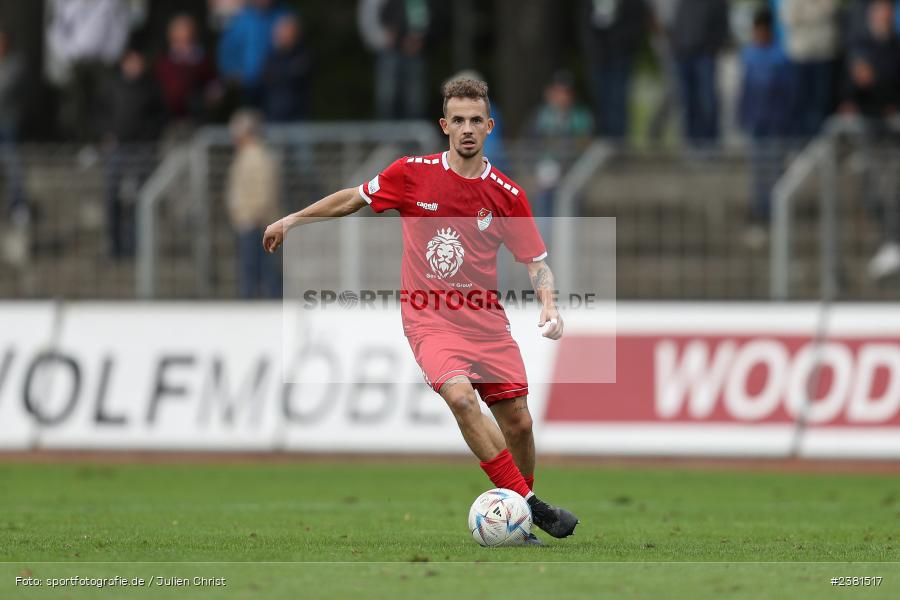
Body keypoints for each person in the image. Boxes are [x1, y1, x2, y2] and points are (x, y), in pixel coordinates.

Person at [261, 78, 579, 544]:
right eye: (458, 120)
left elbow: (536, 263)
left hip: (486, 322)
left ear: (489, 126)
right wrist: (293, 220)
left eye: (476, 120)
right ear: (444, 125)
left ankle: (521, 513)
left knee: (520, 423)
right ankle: (530, 508)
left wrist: (549, 304)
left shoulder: (507, 195)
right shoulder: (411, 173)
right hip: (429, 318)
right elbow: (354, 197)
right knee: (460, 398)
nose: (467, 128)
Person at [840, 0, 900, 279]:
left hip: (893, 132)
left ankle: (892, 242)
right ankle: (888, 241)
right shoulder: (860, 45)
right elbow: (852, 85)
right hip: (869, 128)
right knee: (873, 189)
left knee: (891, 188)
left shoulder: (895, 47)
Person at [100, 48, 163, 259]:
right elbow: (99, 113)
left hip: (142, 149)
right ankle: (114, 246)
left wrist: (148, 137)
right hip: (117, 149)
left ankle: (137, 246)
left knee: (140, 199)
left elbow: (160, 118)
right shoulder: (112, 86)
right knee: (112, 197)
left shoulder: (151, 88)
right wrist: (107, 134)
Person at [738, 7, 793, 235]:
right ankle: (760, 211)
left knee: (776, 169)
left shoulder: (780, 57)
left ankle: (777, 212)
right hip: (757, 123)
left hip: (776, 124)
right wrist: (742, 116)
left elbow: (789, 93)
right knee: (758, 172)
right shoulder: (749, 56)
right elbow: (745, 91)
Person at [227, 110, 283, 298]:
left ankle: (261, 305)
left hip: (256, 223)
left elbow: (263, 191)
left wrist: (255, 215)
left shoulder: (256, 156)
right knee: (257, 269)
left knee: (259, 270)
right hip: (251, 221)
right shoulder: (251, 155)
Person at [581, 0, 650, 140]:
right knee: (600, 100)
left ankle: (617, 142)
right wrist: (593, 49)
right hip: (598, 55)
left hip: (621, 55)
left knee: (618, 101)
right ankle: (601, 140)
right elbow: (584, 21)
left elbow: (638, 22)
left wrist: (624, 45)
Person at [669, 0, 731, 146]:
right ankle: (691, 144)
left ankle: (711, 143)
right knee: (688, 103)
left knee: (707, 101)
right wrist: (677, 48)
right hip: (683, 54)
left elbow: (722, 24)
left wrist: (712, 48)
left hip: (704, 55)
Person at [358, 0, 432, 119]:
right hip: (389, 52)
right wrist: (384, 38)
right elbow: (373, 18)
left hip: (413, 53)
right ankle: (387, 135)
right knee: (387, 98)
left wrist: (417, 38)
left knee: (414, 100)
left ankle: (412, 135)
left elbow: (422, 16)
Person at [779, 0, 840, 137]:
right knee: (800, 105)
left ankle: (821, 145)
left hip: (824, 55)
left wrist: (805, 13)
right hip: (800, 57)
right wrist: (816, 13)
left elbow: (831, 10)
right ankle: (801, 144)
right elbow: (788, 17)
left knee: (822, 105)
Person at [218, 0, 288, 107]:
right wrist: (232, 71)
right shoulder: (240, 19)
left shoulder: (283, 16)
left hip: (277, 86)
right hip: (247, 85)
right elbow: (228, 49)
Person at [155, 14, 218, 125]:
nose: (183, 42)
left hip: (196, 118)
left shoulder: (202, 61)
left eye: (187, 38)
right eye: (179, 38)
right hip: (169, 119)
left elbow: (213, 85)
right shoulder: (164, 64)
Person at [261, 13, 312, 122]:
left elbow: (299, 74)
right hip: (274, 115)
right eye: (282, 32)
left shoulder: (303, 55)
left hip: (298, 115)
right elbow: (267, 77)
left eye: (288, 32)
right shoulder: (271, 57)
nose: (284, 36)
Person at [0, 30, 27, 226]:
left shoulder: (15, 63)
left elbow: (5, 88)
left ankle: (18, 206)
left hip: (6, 122)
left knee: (13, 164)